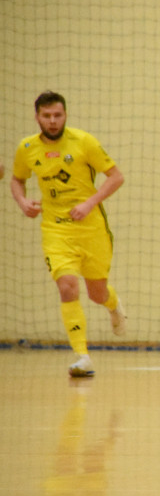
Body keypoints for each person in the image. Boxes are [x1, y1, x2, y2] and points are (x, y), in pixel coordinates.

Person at [10, 91, 127, 377]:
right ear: (37, 117)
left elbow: (116, 176)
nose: (52, 121)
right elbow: (17, 179)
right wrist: (23, 202)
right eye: (47, 116)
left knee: (96, 293)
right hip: (55, 228)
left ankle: (113, 305)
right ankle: (82, 356)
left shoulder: (84, 141)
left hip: (91, 229)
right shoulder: (27, 148)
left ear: (65, 115)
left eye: (57, 115)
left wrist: (89, 203)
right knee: (67, 287)